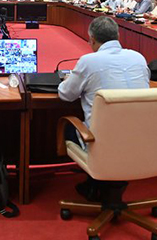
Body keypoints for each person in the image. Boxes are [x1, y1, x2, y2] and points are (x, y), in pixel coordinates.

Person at [58, 16, 150, 200]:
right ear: (117, 35)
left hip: (103, 143)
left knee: (68, 126)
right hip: (142, 140)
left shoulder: (89, 61)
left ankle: (96, 182)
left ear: (92, 39)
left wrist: (68, 80)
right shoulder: (139, 58)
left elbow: (66, 95)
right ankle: (105, 186)